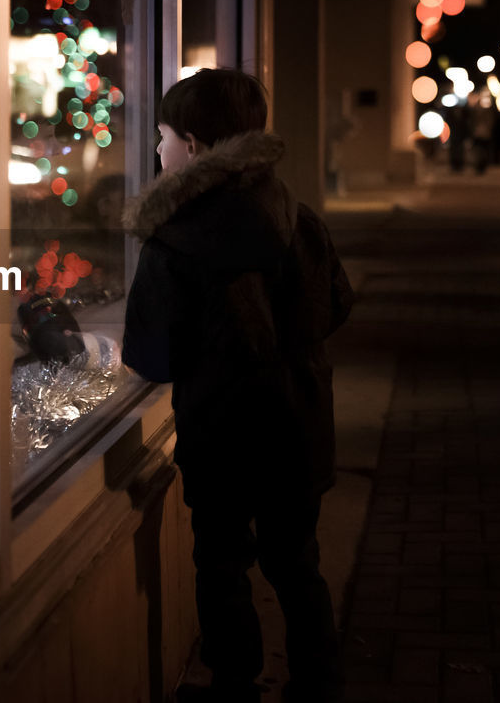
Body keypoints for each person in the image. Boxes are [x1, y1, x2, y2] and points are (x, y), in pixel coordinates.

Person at [122, 69, 353, 702]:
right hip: (301, 424)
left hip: (224, 434)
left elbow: (152, 355)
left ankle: (235, 684)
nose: (158, 150)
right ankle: (320, 682)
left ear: (193, 146)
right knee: (297, 564)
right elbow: (337, 304)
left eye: (164, 136)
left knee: (223, 565)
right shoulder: (298, 217)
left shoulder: (174, 240)